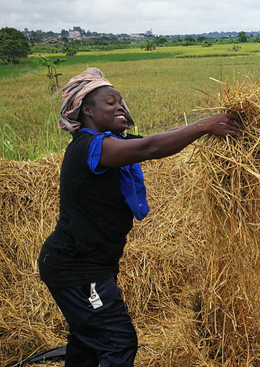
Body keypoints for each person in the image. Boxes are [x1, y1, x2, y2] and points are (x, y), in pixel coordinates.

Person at [38, 67, 240, 366]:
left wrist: (210, 126)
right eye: (110, 102)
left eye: (121, 101)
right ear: (87, 110)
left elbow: (158, 139)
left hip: (91, 264)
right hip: (78, 270)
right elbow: (150, 147)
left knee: (87, 341)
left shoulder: (107, 142)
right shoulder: (90, 146)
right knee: (117, 341)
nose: (120, 106)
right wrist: (206, 125)